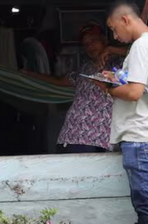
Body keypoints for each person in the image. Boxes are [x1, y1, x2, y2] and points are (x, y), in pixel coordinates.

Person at [93, 0, 148, 224]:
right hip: (142, 133)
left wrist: (108, 89)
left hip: (140, 135)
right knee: (143, 200)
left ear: (125, 20)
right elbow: (141, 85)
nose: (114, 35)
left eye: (114, 29)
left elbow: (135, 92)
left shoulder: (141, 47)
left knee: (146, 200)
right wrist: (115, 78)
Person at [23, 22, 126, 153]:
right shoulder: (84, 67)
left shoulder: (120, 63)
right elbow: (60, 81)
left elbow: (141, 52)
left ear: (104, 40)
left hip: (102, 138)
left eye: (93, 41)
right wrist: (31, 75)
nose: (90, 46)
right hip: (74, 135)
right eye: (86, 44)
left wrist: (110, 50)